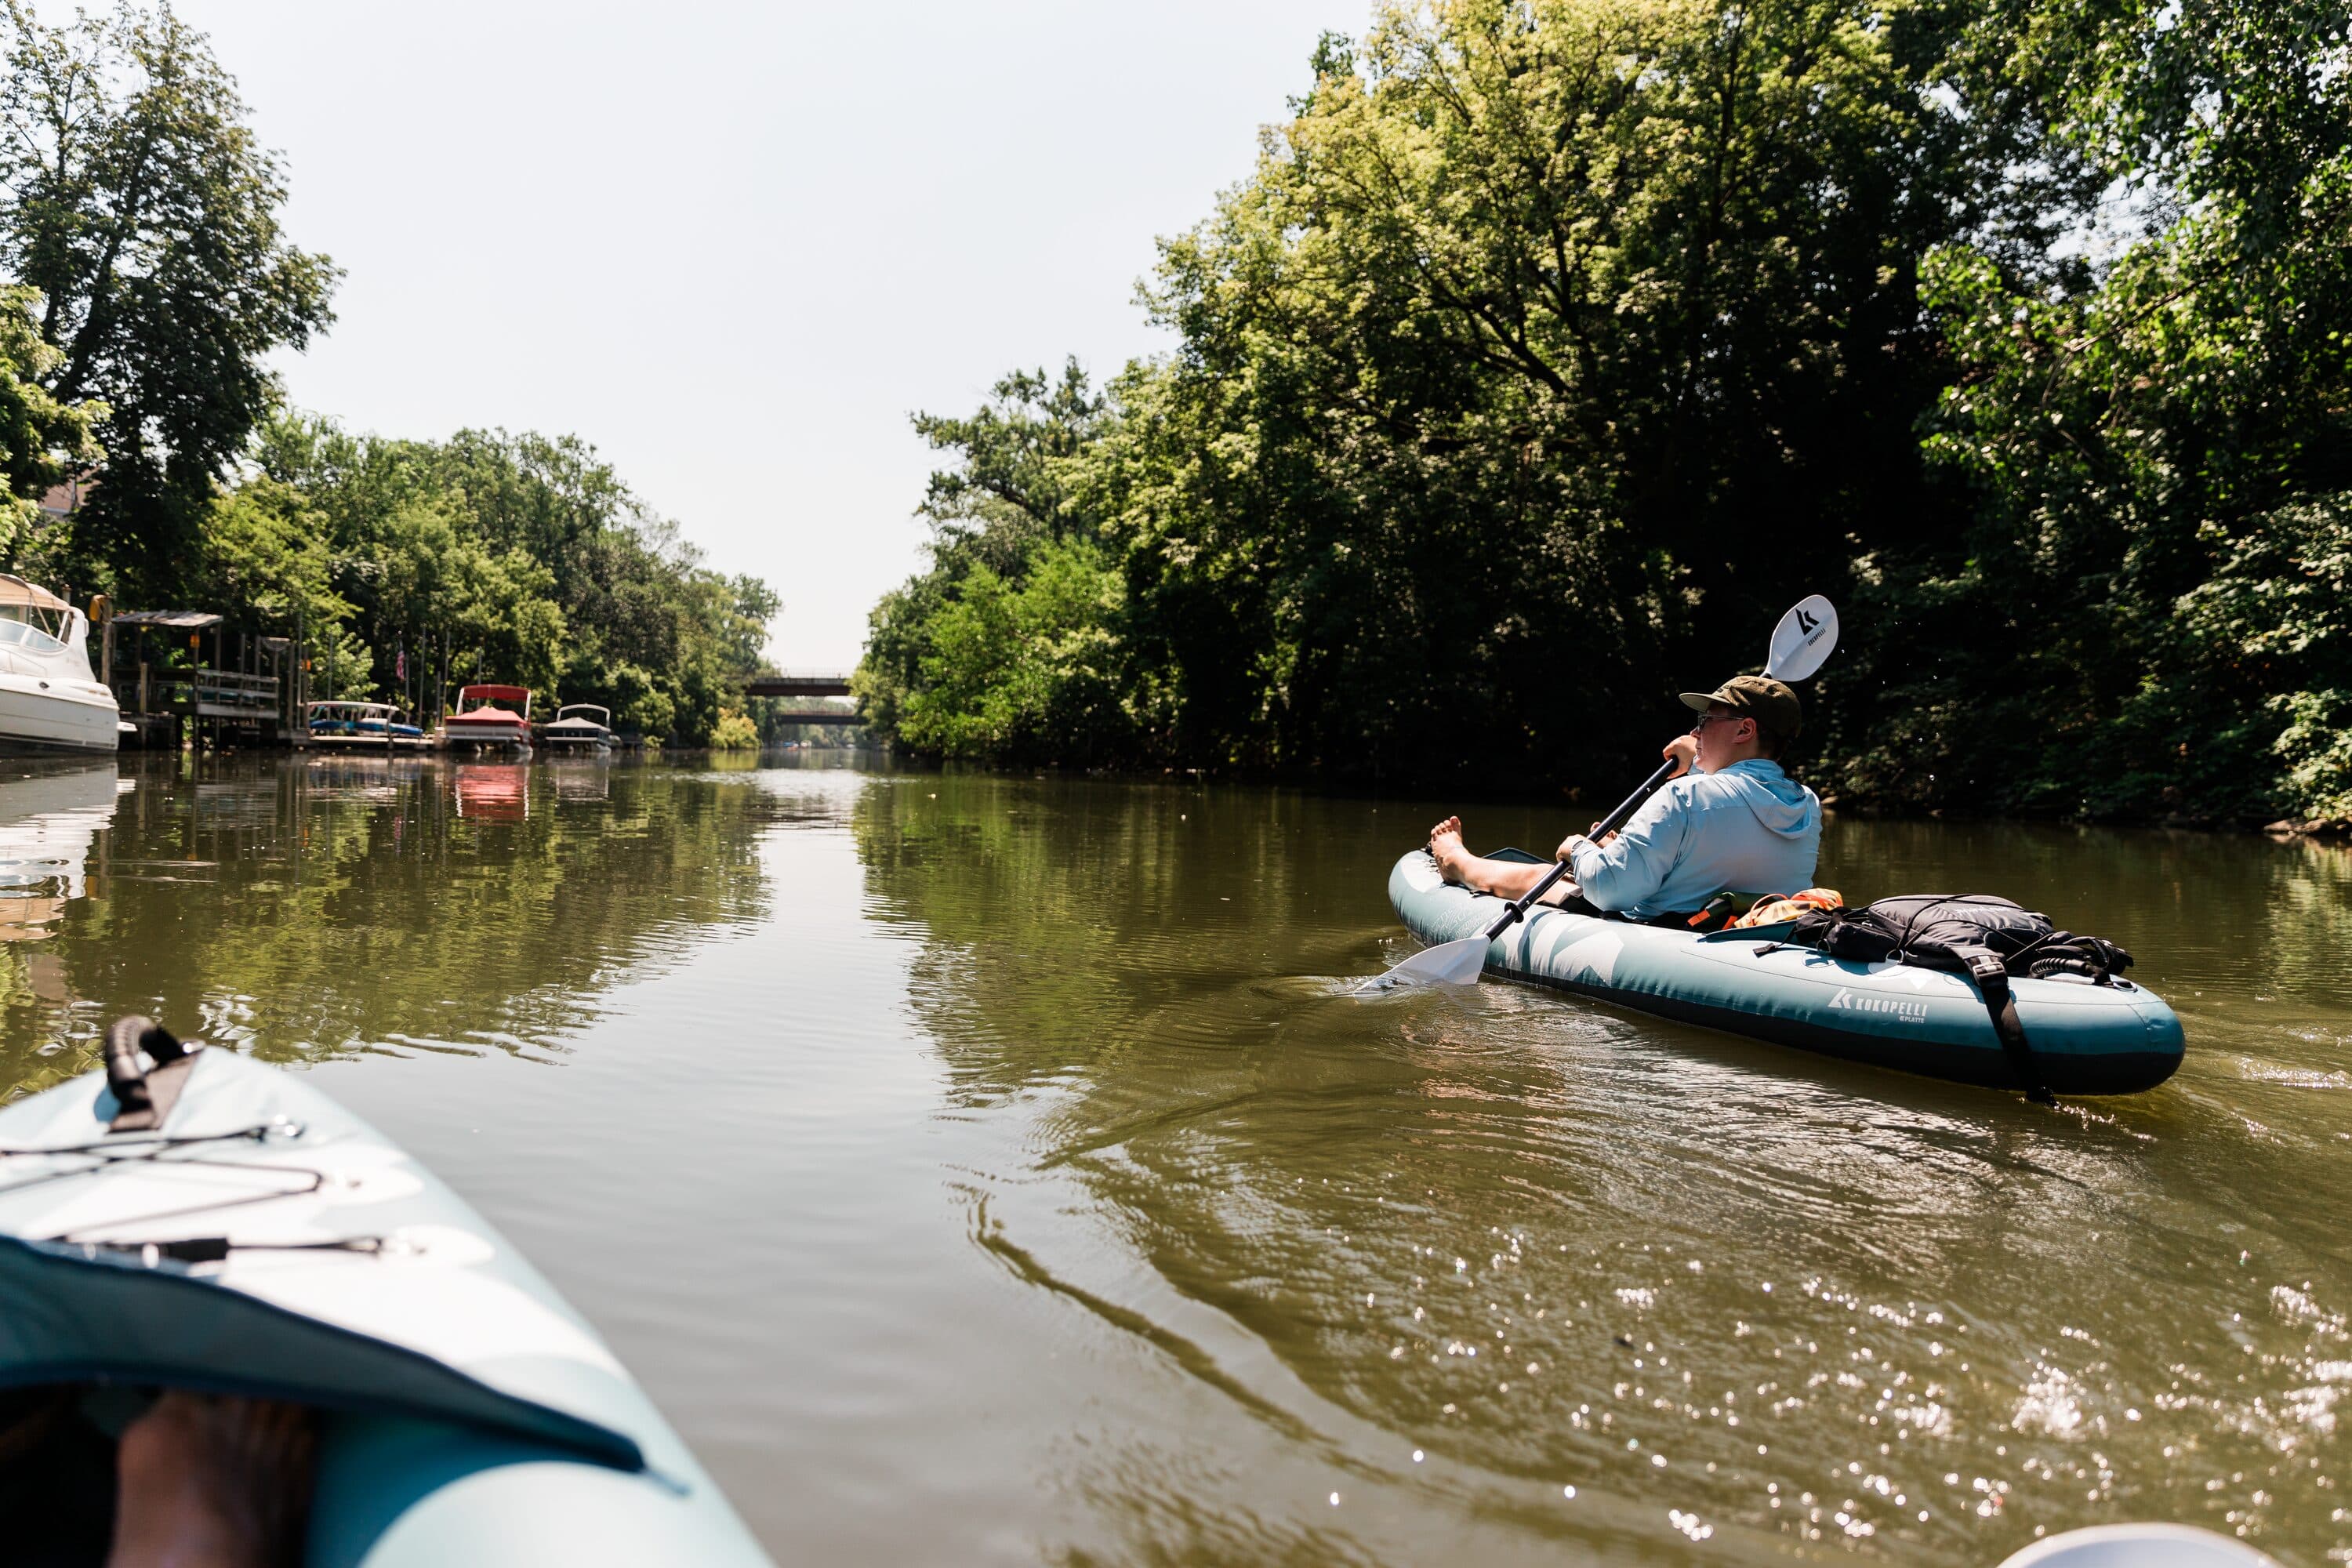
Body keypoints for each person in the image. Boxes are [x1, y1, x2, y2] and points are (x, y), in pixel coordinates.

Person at [1427, 674, 1822, 924]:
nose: (1695, 732)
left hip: (1667, 930)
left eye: (1706, 722)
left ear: (1744, 730)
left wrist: (1579, 849)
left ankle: (1457, 863)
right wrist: (1698, 763)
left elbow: (1612, 891)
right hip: (1735, 925)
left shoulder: (1684, 795)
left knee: (1544, 876)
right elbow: (1736, 807)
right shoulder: (1807, 805)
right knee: (1609, 856)